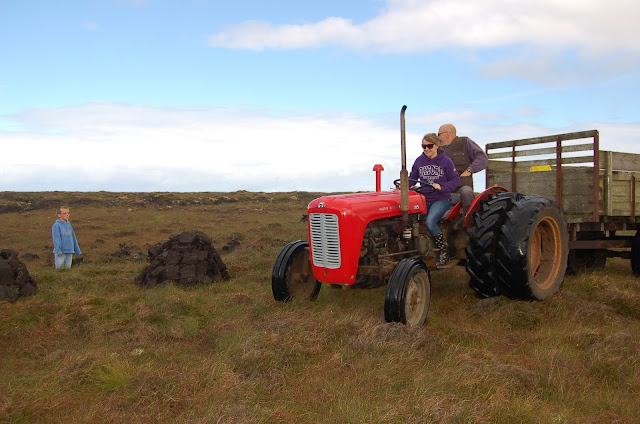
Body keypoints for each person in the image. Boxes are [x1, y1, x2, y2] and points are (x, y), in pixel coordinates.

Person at [409, 133, 460, 267]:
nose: (426, 149)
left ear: (437, 145)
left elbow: (455, 179)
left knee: (431, 222)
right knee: (410, 220)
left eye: (429, 146)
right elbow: (412, 178)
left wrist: (442, 187)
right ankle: (413, 250)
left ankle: (444, 251)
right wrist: (406, 186)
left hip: (441, 199)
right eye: (423, 146)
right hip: (424, 199)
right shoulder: (419, 161)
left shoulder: (446, 161)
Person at [437, 124, 488, 215]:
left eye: (439, 134)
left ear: (448, 134)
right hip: (442, 188)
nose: (437, 137)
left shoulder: (464, 142)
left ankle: (470, 219)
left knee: (467, 192)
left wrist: (470, 170)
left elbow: (482, 158)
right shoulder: (437, 149)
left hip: (460, 186)